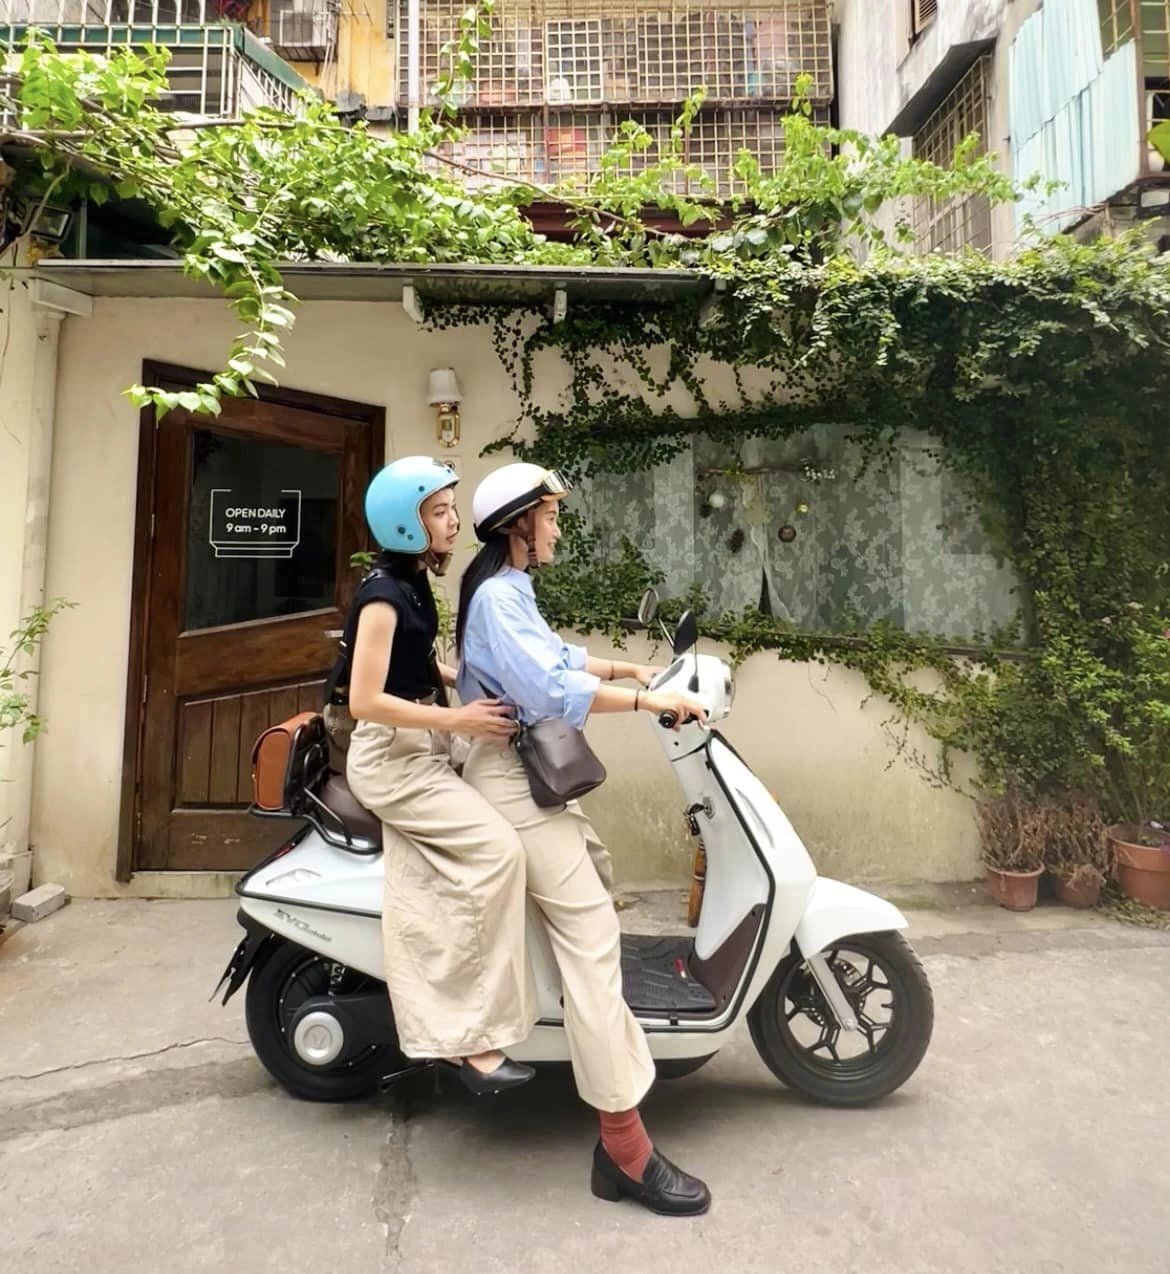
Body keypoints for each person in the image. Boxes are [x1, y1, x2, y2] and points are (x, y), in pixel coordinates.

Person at [455, 461, 713, 1217]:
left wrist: (634, 668)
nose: (558, 528)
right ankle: (624, 1150)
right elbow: (547, 689)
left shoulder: (508, 590)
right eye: (551, 516)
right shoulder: (497, 597)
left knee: (595, 884)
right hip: (511, 779)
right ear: (518, 524)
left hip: (524, 774)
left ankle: (586, 1052)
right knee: (594, 946)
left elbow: (559, 659)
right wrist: (646, 701)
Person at [341, 456, 538, 1095]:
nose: (454, 521)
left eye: (452, 508)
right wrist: (460, 720)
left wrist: (474, 681)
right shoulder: (382, 596)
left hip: (423, 743)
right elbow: (364, 700)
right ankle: (470, 1037)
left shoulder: (413, 580)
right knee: (499, 853)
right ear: (406, 523)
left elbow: (417, 665)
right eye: (439, 511)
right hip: (393, 759)